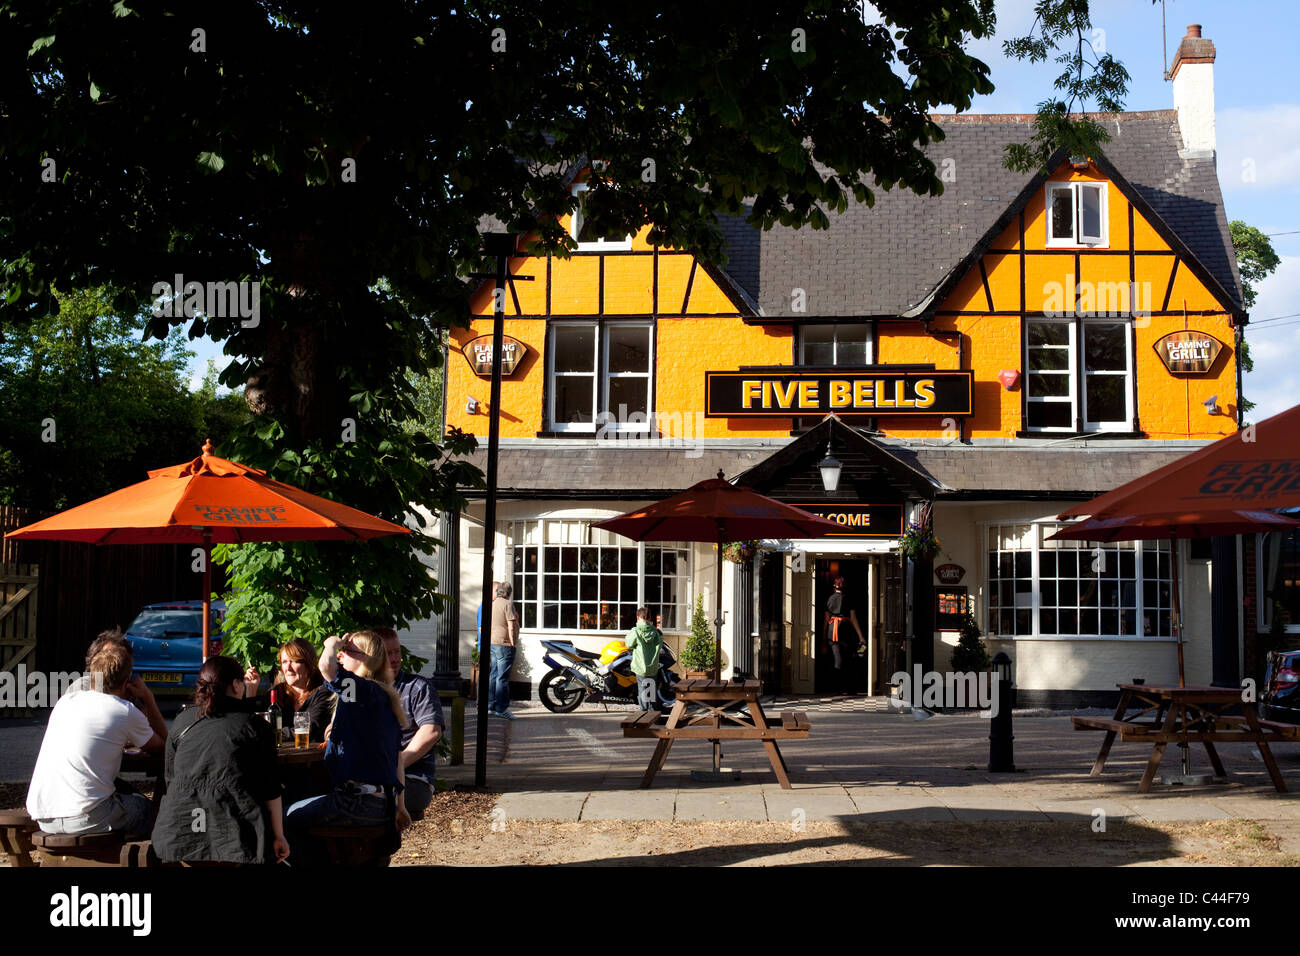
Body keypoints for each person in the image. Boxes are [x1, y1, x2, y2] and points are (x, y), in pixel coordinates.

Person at [284, 630, 411, 866]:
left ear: (367, 659)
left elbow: (327, 668)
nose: (341, 654)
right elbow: (396, 758)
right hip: (380, 804)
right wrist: (399, 806)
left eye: (348, 651)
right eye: (341, 650)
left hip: (356, 803)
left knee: (281, 818)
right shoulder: (380, 697)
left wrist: (331, 644)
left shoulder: (363, 690)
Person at [151, 656, 289, 864]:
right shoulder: (256, 726)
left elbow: (170, 778)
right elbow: (270, 789)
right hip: (236, 838)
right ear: (235, 685)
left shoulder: (182, 721)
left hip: (177, 832)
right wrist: (279, 836)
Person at [27, 641, 167, 838]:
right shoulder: (124, 711)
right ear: (126, 681)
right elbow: (164, 747)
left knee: (120, 793)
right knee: (150, 810)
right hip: (87, 818)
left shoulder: (66, 702)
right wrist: (148, 698)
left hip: (44, 816)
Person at [377, 627, 444, 820]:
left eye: (397, 651)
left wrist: (397, 765)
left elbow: (431, 731)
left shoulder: (417, 687)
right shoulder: (364, 689)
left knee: (365, 800)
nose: (395, 658)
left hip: (413, 779)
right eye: (388, 653)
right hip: (372, 778)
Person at [245, 638, 336, 743]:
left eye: (294, 661)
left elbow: (308, 731)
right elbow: (249, 727)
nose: (288, 668)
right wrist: (250, 690)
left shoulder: (323, 693)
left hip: (310, 757)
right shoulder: (276, 692)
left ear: (309, 664)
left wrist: (267, 733)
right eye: (284, 662)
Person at [824, 576, 865, 695]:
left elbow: (826, 620)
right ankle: (849, 688)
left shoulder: (829, 599)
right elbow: (853, 618)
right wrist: (861, 637)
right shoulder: (848, 599)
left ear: (834, 586)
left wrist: (823, 639)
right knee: (849, 659)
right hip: (846, 631)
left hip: (832, 632)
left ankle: (836, 688)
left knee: (838, 660)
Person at [624, 606, 664, 711]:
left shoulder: (636, 631)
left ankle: (644, 712)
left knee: (643, 689)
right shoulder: (655, 632)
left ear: (638, 617)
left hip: (640, 666)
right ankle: (652, 711)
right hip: (653, 666)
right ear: (650, 618)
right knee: (651, 688)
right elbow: (660, 645)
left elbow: (628, 644)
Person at [489, 581, 519, 719]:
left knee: (493, 675)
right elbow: (511, 626)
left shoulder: (493, 604)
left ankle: (490, 706)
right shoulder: (507, 604)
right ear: (508, 592)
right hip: (505, 644)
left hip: (493, 643)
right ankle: (502, 709)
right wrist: (513, 643)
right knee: (502, 678)